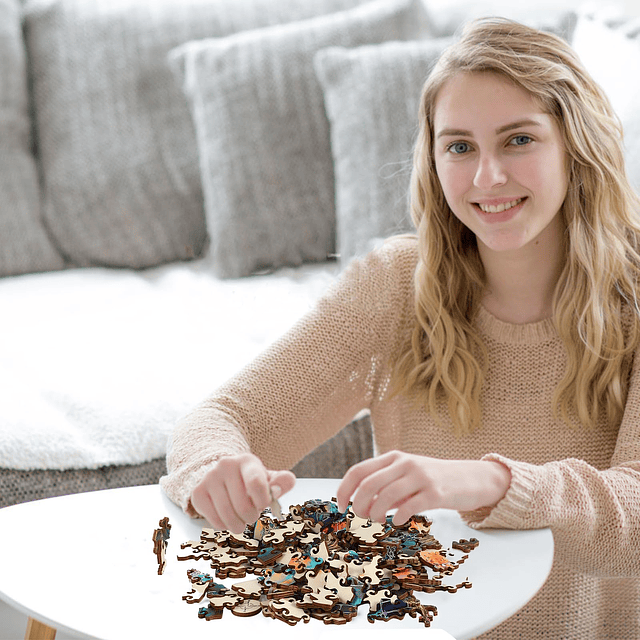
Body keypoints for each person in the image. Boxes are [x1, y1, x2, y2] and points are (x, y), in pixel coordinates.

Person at [161, 17, 640, 639]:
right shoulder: (396, 286)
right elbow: (223, 417)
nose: (487, 177)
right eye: (459, 146)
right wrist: (216, 468)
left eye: (519, 140)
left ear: (577, 145)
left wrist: (487, 482)